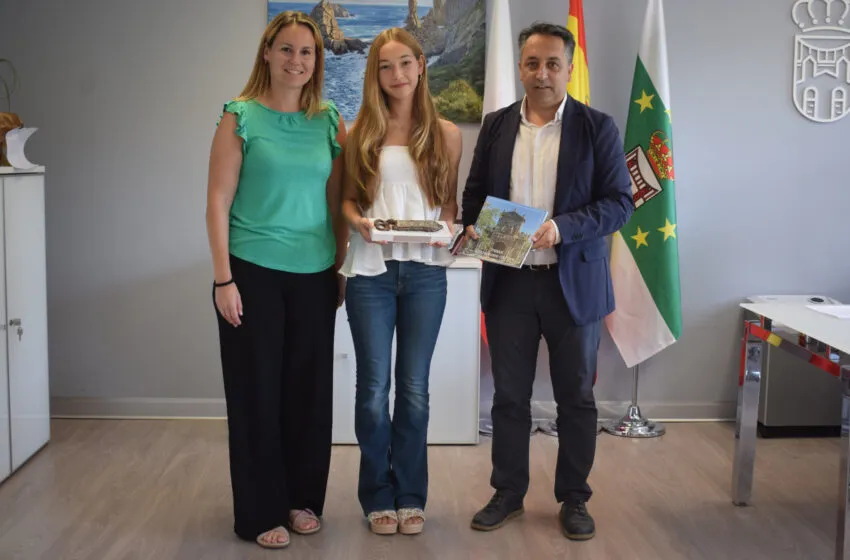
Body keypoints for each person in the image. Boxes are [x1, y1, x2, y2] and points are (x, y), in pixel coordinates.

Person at [462, 22, 633, 540]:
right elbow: (474, 197)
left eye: (552, 64)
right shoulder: (494, 126)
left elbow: (620, 203)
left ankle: (574, 499)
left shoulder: (596, 127)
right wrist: (475, 227)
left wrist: (560, 228)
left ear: (569, 68)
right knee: (508, 396)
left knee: (576, 398)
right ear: (520, 68)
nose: (542, 74)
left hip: (573, 283)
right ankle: (508, 492)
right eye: (532, 63)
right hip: (510, 283)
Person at [205, 10, 347, 549]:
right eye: (286, 49)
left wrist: (337, 268)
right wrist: (223, 280)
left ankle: (302, 500)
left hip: (314, 274)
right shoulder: (239, 115)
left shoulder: (329, 119)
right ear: (267, 53)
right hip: (251, 272)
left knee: (309, 394)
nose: (297, 60)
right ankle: (260, 511)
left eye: (307, 52)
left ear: (317, 61)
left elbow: (335, 201)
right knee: (256, 394)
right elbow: (217, 202)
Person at [339, 27, 462, 536]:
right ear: (376, 74)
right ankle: (377, 496)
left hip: (427, 274)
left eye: (405, 64)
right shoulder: (358, 131)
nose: (397, 75)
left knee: (413, 391)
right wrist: (359, 224)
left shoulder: (448, 134)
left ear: (420, 66)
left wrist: (450, 229)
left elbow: (450, 207)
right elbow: (346, 201)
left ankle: (411, 494)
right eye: (386, 67)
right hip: (370, 271)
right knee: (373, 391)